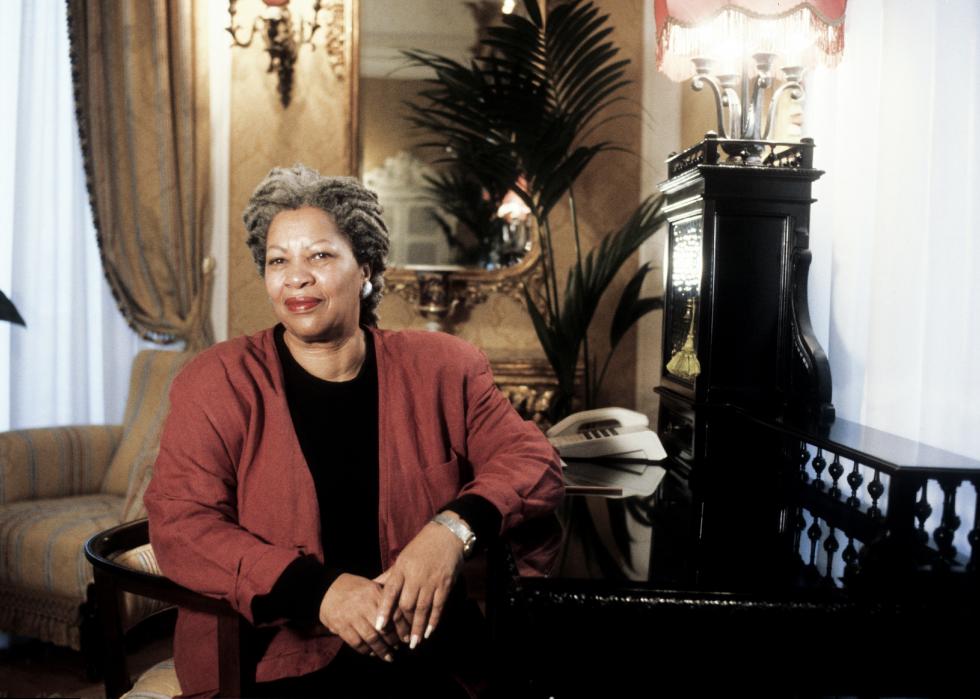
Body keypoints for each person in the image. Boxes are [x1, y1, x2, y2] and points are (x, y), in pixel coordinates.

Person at [144, 164, 564, 698]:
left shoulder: (444, 368)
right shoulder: (216, 382)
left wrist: (450, 532)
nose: (296, 277)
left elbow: (534, 462)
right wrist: (320, 593)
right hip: (275, 663)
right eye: (278, 260)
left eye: (320, 256)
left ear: (365, 267)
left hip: (429, 651)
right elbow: (182, 524)